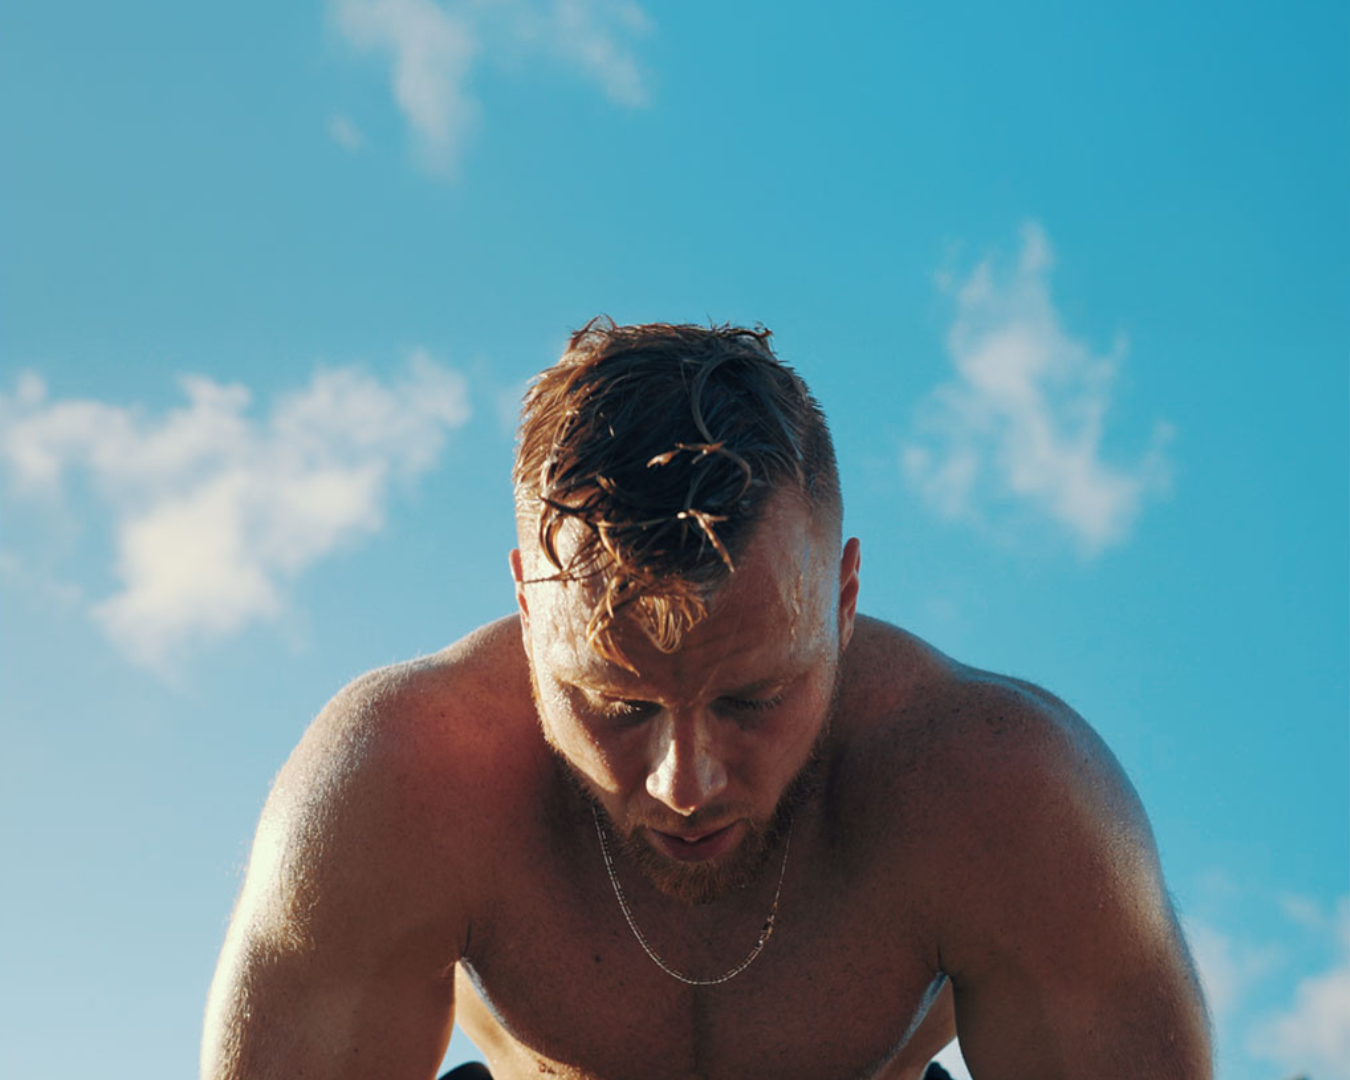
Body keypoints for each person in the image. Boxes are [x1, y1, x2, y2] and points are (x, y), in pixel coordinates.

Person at [201, 320, 1212, 1079]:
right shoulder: (398, 789)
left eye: (753, 697)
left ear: (842, 600)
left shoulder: (1007, 799)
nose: (686, 782)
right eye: (618, 704)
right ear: (524, 603)